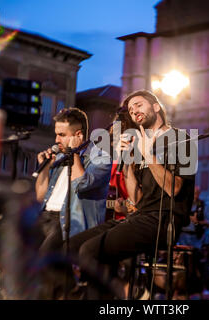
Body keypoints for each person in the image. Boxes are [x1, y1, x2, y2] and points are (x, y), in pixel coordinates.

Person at [67, 89, 197, 299]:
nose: (133, 110)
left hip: (165, 218)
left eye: (138, 104)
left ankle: (132, 293)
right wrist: (127, 160)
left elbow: (174, 189)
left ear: (156, 106)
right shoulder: (142, 144)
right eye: (130, 108)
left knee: (90, 251)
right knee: (73, 246)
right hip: (141, 215)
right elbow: (136, 199)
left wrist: (147, 153)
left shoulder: (180, 140)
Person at [34, 107, 112, 298]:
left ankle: (73, 293)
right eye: (56, 134)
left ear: (77, 135)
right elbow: (40, 196)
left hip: (69, 219)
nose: (56, 140)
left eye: (61, 135)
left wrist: (75, 154)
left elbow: (82, 184)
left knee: (46, 257)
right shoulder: (59, 158)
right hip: (46, 216)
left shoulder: (100, 156)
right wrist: (44, 168)